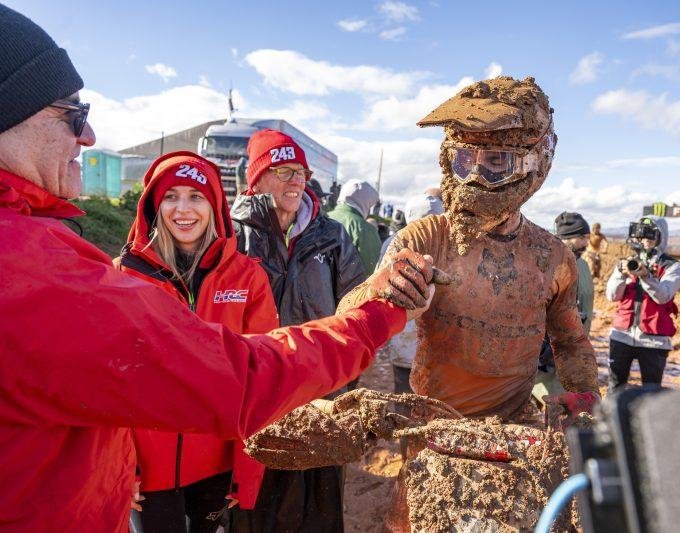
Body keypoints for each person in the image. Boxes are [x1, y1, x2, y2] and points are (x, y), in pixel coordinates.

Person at [0, 6, 433, 530]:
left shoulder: (306, 244)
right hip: (194, 446)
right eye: (72, 112)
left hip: (272, 417)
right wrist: (377, 315)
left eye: (301, 173)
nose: (88, 135)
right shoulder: (42, 272)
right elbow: (240, 377)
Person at [338, 76, 599, 530]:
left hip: (515, 425)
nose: (477, 175)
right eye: (465, 160)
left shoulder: (551, 257)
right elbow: (350, 316)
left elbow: (571, 342)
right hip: (434, 423)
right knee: (415, 520)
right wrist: (381, 288)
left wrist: (583, 397)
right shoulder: (428, 237)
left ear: (533, 163)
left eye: (496, 162)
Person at [117, 151, 280, 531]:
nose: (183, 209)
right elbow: (107, 384)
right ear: (154, 207)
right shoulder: (123, 278)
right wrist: (119, 466)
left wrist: (248, 466)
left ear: (215, 205)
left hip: (218, 462)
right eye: (171, 196)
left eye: (196, 196)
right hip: (147, 469)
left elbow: (263, 378)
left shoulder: (247, 279)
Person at [229, 130, 366, 532]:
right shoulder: (232, 235)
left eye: (301, 173)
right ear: (257, 179)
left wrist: (347, 388)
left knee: (319, 512)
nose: (296, 181)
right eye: (283, 171)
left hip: (320, 398)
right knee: (255, 512)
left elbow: (355, 308)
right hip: (255, 402)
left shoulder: (332, 236)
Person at [605, 216, 680, 390]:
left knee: (651, 391)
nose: (645, 241)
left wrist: (646, 276)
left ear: (660, 237)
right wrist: (620, 272)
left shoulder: (672, 266)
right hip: (622, 336)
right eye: (641, 236)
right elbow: (612, 296)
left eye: (650, 236)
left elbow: (663, 296)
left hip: (653, 340)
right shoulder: (628, 262)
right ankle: (611, 418)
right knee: (615, 388)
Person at [379, 193, 445, 394]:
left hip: (403, 336)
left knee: (404, 395)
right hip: (438, 343)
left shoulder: (393, 243)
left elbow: (378, 286)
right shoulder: (450, 248)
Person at [533, 212, 595, 404]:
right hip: (545, 353)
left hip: (572, 349)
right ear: (566, 238)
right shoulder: (545, 265)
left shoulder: (583, 266)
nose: (586, 243)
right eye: (582, 237)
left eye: (587, 237)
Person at [328, 178, 382, 274]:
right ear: (365, 203)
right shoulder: (365, 229)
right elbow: (374, 271)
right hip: (349, 287)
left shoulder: (323, 216)